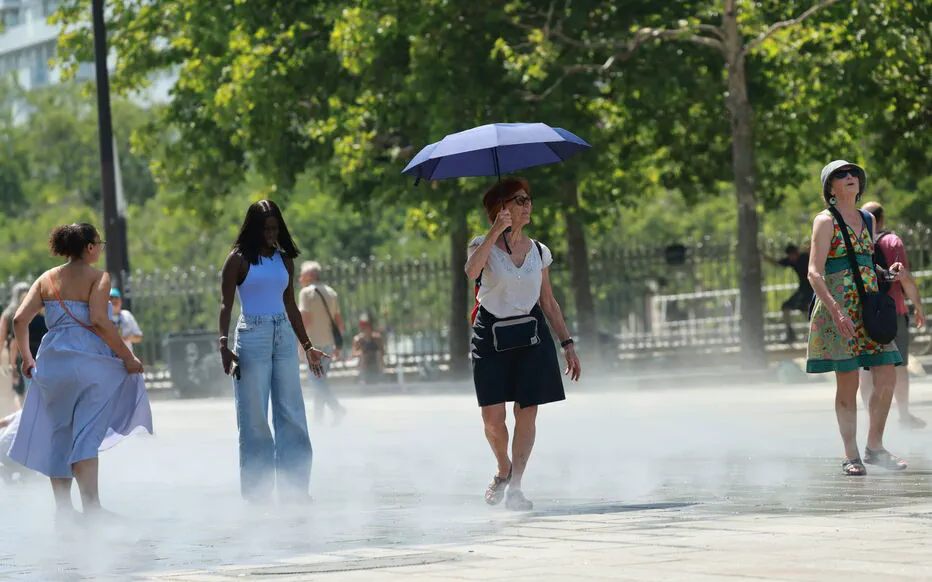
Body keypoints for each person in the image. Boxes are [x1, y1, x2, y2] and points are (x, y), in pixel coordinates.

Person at [7, 223, 152, 522]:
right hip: (90, 364)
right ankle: (92, 507)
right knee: (86, 434)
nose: (101, 248)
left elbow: (20, 320)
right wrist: (128, 358)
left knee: (59, 433)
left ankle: (63, 510)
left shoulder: (46, 279)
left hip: (51, 364)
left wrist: (27, 359)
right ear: (88, 247)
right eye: (100, 243)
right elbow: (99, 319)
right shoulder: (99, 278)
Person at [465, 177, 582, 511]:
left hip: (531, 335)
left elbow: (549, 302)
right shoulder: (480, 244)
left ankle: (516, 487)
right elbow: (470, 270)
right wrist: (493, 233)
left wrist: (567, 343)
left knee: (527, 412)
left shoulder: (539, 251)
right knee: (492, 418)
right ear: (500, 209)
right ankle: (504, 468)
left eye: (528, 199)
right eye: (518, 200)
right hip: (490, 335)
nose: (527, 205)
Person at [218, 200, 329, 504]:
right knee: (254, 417)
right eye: (265, 228)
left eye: (274, 228)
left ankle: (295, 490)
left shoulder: (284, 260)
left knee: (291, 411)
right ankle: (258, 495)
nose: (270, 234)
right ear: (253, 228)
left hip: (282, 337)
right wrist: (223, 344)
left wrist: (307, 346)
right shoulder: (238, 260)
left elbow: (290, 304)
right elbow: (226, 304)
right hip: (251, 337)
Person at [806, 161, 905, 476]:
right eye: (841, 175)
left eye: (853, 175)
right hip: (839, 311)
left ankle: (875, 446)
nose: (850, 178)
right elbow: (813, 272)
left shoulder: (867, 219)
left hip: (868, 310)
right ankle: (851, 455)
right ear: (830, 188)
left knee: (887, 375)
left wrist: (887, 273)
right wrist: (835, 310)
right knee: (847, 383)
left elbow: (863, 262)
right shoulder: (825, 222)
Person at [858, 201, 927, 429]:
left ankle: (871, 419)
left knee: (866, 367)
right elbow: (903, 275)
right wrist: (918, 305)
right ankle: (904, 416)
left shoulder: (856, 241)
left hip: (864, 312)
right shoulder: (891, 241)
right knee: (898, 365)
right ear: (882, 218)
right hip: (893, 311)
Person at [298, 261, 347, 423]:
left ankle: (337, 408)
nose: (299, 278)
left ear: (311, 275)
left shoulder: (306, 293)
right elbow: (339, 322)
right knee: (321, 380)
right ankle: (318, 419)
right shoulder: (331, 293)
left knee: (315, 381)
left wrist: (301, 344)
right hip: (328, 344)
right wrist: (338, 346)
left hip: (313, 345)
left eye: (302, 274)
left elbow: (305, 322)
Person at [0, 282, 47, 407]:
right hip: (41, 355)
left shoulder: (9, 314)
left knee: (21, 391)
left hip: (21, 356)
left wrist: (8, 363)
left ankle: (21, 416)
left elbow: (3, 340)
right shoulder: (42, 316)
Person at [764, 244, 813, 343]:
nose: (791, 258)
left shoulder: (804, 257)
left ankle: (815, 331)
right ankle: (790, 334)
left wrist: (811, 248)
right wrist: (764, 256)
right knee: (787, 307)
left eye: (792, 255)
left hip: (811, 289)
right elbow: (777, 263)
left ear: (796, 253)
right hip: (803, 290)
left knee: (805, 308)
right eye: (789, 256)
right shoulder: (790, 261)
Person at [351, 316, 383, 384]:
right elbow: (354, 353)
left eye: (368, 326)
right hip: (364, 365)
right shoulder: (358, 340)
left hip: (374, 365)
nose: (367, 329)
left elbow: (380, 352)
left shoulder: (376, 338)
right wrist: (363, 352)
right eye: (365, 327)